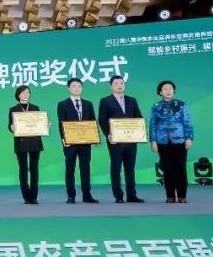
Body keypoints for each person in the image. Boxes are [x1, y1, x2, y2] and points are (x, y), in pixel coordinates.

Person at [98, 75, 145, 204]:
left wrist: (140, 132)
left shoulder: (132, 100)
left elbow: (138, 118)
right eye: (116, 83)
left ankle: (132, 195)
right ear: (111, 86)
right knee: (116, 168)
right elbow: (102, 120)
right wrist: (108, 134)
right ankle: (118, 195)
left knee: (130, 168)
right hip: (115, 140)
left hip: (131, 140)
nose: (119, 85)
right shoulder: (105, 101)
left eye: (121, 83)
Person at [150, 80, 194, 203]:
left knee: (181, 168)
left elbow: (187, 122)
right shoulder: (156, 107)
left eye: (170, 88)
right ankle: (170, 195)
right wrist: (153, 141)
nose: (168, 91)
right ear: (160, 92)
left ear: (174, 91)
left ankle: (182, 195)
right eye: (165, 89)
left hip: (180, 140)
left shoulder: (181, 105)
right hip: (162, 142)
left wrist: (189, 138)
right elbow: (153, 125)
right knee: (167, 169)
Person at [56, 77, 99, 204]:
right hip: (70, 143)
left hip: (85, 143)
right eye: (74, 86)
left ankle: (87, 195)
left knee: (85, 169)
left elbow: (92, 121)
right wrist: (64, 139)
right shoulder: (62, 104)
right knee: (70, 169)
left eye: (79, 86)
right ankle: (71, 195)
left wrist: (95, 137)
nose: (77, 88)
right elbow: (61, 123)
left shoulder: (88, 104)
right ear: (69, 88)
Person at [8, 85, 45, 205]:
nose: (26, 94)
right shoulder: (13, 109)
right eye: (23, 92)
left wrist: (45, 126)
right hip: (21, 142)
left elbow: (40, 124)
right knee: (23, 169)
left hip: (35, 142)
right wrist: (12, 127)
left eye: (28, 92)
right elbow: (10, 125)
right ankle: (26, 196)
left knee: (34, 169)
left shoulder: (35, 108)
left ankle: (33, 196)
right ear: (18, 95)